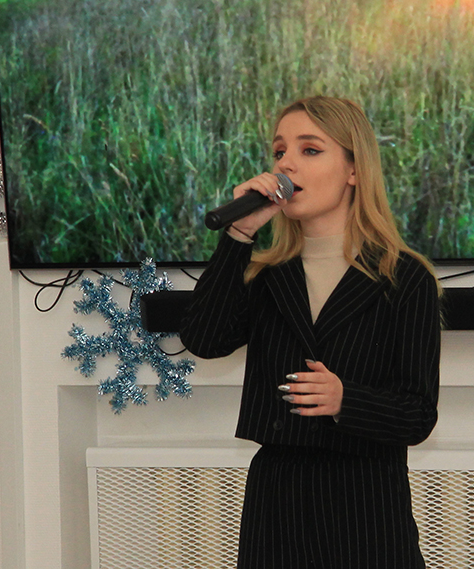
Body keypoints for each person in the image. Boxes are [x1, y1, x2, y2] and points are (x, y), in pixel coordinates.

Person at [179, 95, 442, 569]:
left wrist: (346, 399)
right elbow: (204, 338)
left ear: (354, 170)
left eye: (310, 150)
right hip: (277, 506)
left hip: (367, 505)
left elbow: (418, 415)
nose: (286, 164)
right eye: (279, 151)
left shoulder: (404, 278)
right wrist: (240, 234)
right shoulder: (266, 275)